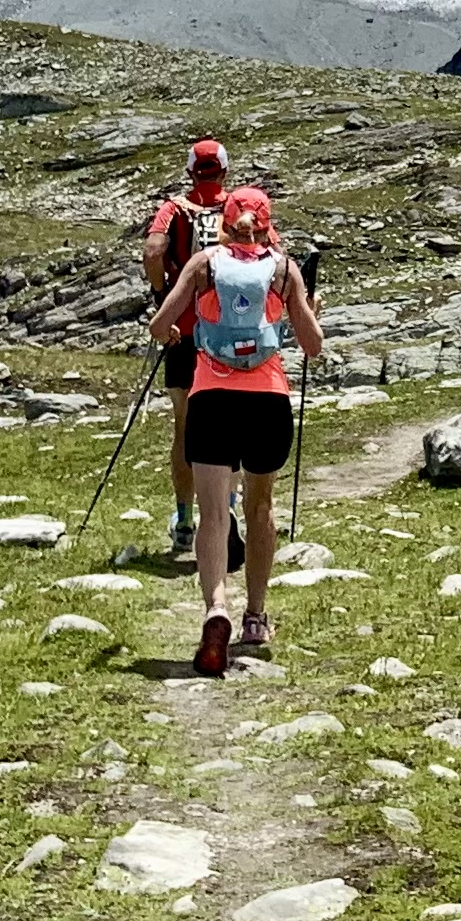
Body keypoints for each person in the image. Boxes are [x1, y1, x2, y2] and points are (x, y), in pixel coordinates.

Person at [144, 185, 323, 671]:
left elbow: (161, 325)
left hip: (211, 396)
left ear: (225, 221)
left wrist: (178, 332)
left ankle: (215, 607)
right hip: (266, 398)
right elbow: (312, 345)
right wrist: (306, 307)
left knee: (214, 512)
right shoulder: (284, 270)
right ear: (267, 223)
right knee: (261, 506)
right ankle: (256, 617)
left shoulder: (203, 264)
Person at [144, 139, 233, 557]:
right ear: (224, 172)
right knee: (231, 427)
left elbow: (153, 249)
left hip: (184, 331)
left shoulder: (174, 208)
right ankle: (228, 514)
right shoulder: (238, 206)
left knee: (184, 426)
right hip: (230, 333)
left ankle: (184, 521)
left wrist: (162, 291)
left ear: (190, 171)